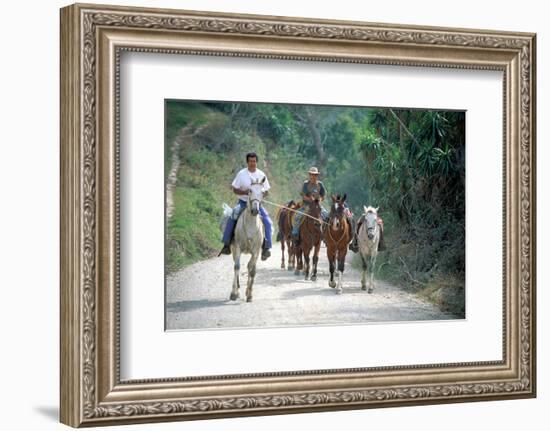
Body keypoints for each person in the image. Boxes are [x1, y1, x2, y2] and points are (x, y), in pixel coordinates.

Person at [219, 152, 273, 260]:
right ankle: (227, 243)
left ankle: (266, 247)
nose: (252, 163)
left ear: (256, 162)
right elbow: (234, 188)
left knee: (267, 221)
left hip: (257, 203)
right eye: (250, 161)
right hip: (243, 202)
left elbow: (267, 190)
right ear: (247, 162)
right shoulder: (242, 174)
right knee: (233, 215)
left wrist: (261, 194)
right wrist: (245, 192)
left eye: (254, 161)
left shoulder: (261, 174)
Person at [291, 167, 329, 246]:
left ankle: (326, 235)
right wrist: (310, 199)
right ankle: (295, 234)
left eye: (314, 175)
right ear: (309, 175)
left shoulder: (320, 184)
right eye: (311, 175)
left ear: (317, 176)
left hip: (317, 206)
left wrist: (319, 200)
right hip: (306, 205)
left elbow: (324, 195)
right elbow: (303, 195)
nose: (313, 176)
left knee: (327, 216)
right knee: (297, 216)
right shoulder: (306, 184)